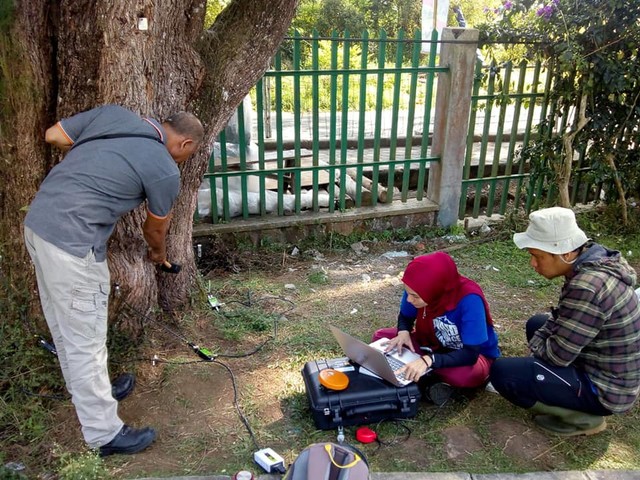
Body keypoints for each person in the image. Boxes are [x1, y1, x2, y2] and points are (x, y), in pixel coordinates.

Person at [23, 105, 204, 456]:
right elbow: (155, 229)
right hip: (73, 244)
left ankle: (93, 392)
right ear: (183, 144)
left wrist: (94, 168)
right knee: (84, 340)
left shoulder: (115, 116)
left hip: (40, 225)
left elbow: (54, 136)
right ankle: (103, 434)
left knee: (66, 326)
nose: (183, 161)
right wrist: (157, 255)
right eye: (188, 155)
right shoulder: (165, 169)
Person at [489, 207, 640, 436]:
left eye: (538, 256)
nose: (533, 263)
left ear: (566, 254)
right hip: (607, 366)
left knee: (503, 373)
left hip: (606, 389)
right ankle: (562, 387)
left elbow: (557, 356)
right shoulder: (592, 264)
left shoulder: (588, 285)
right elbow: (560, 317)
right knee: (536, 324)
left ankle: (583, 418)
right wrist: (543, 339)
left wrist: (539, 347)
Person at [373, 251, 501, 404]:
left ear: (435, 289)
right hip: (431, 344)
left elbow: (470, 354)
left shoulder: (469, 299)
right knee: (382, 338)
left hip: (468, 355)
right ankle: (427, 378)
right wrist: (403, 331)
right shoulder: (418, 288)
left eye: (415, 296)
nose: (409, 299)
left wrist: (429, 360)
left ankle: (420, 373)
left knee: (463, 375)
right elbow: (405, 316)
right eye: (408, 293)